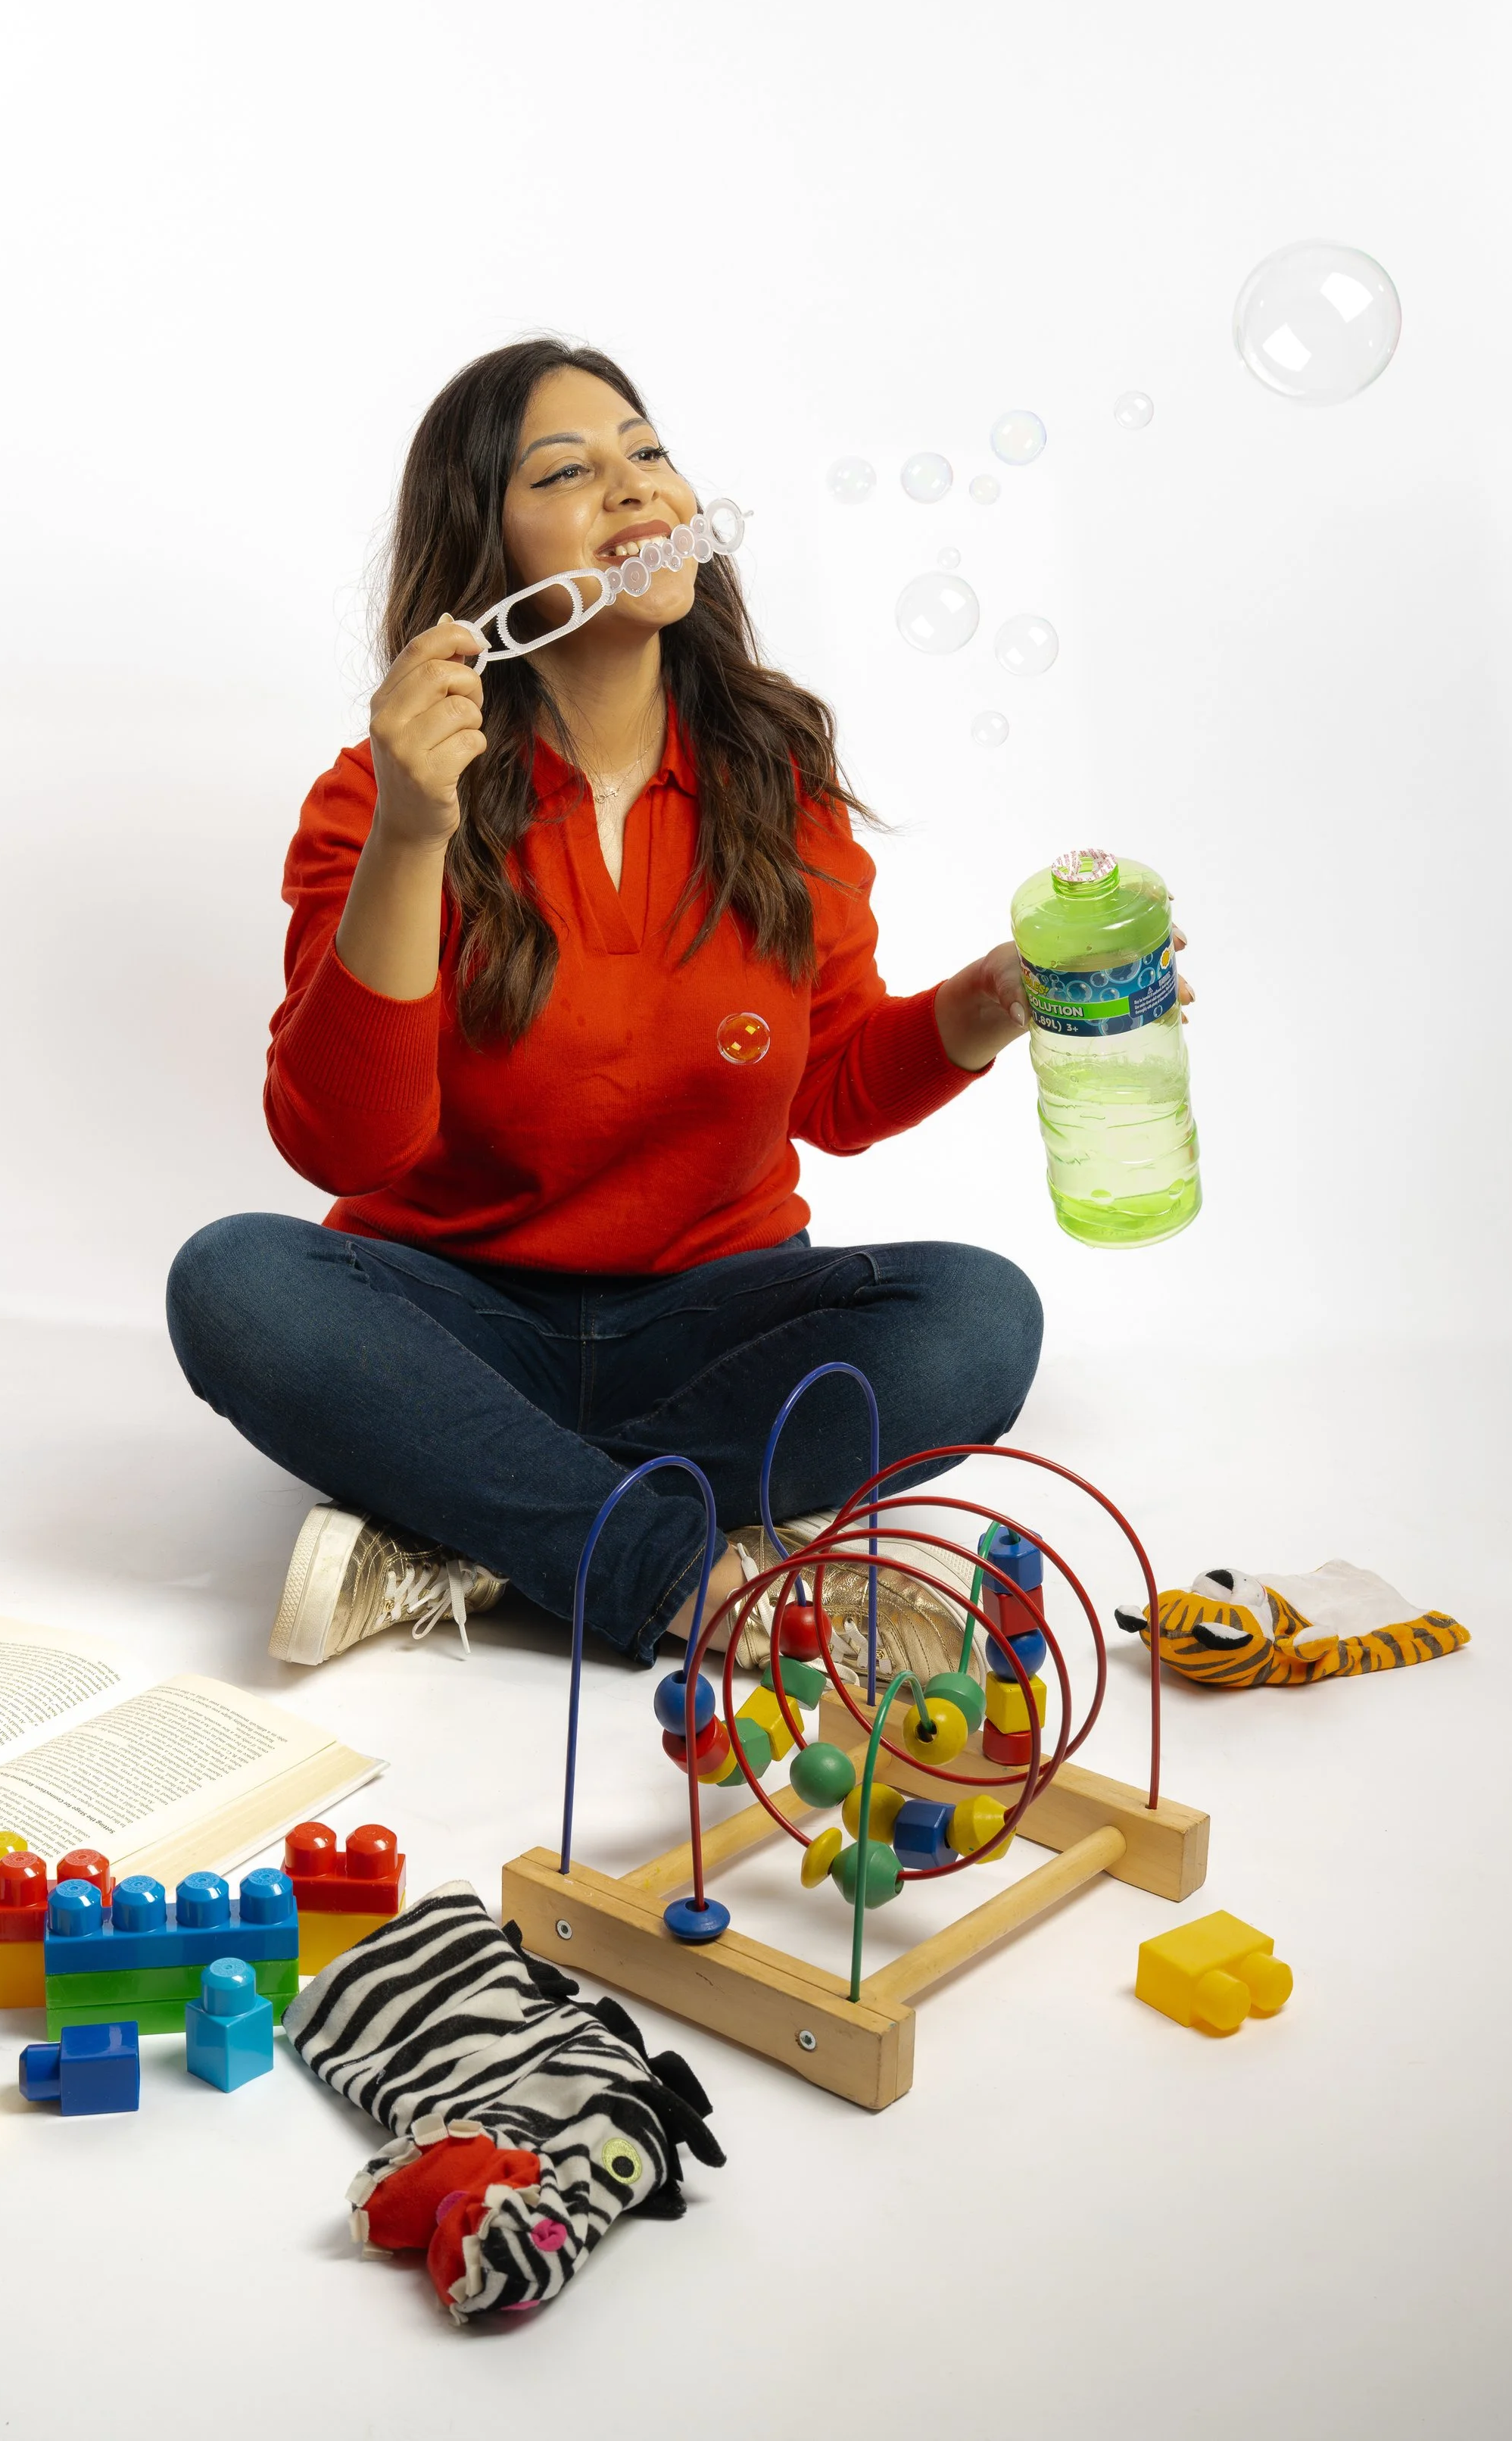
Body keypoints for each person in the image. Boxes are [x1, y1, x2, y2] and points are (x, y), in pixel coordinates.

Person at [168, 339, 1090, 1675]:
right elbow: (343, 1150)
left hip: (712, 1317)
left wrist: (996, 999)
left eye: (647, 454)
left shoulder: (777, 778)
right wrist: (416, 835)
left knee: (979, 1316)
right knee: (236, 1284)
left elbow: (831, 1091)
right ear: (484, 551)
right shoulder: (382, 797)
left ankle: (473, 1522)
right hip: (453, 1319)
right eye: (569, 471)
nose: (637, 489)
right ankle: (690, 1574)